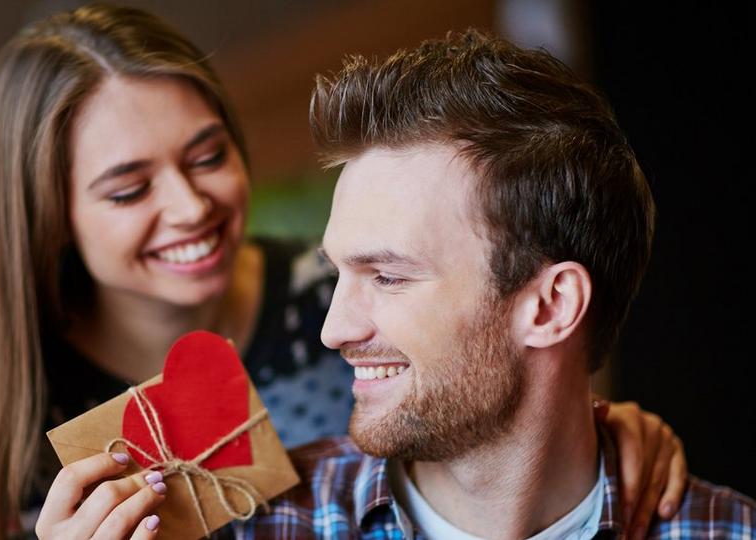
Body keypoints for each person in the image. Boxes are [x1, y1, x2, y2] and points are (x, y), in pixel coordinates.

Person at [0, 6, 687, 540]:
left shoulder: (328, 292)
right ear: (48, 216)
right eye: (130, 189)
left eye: (208, 155)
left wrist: (589, 437)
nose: (190, 206)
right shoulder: (10, 400)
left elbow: (492, 393)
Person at [226, 29, 756, 539]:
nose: (333, 331)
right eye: (338, 271)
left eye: (387, 277)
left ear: (551, 306)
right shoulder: (258, 526)